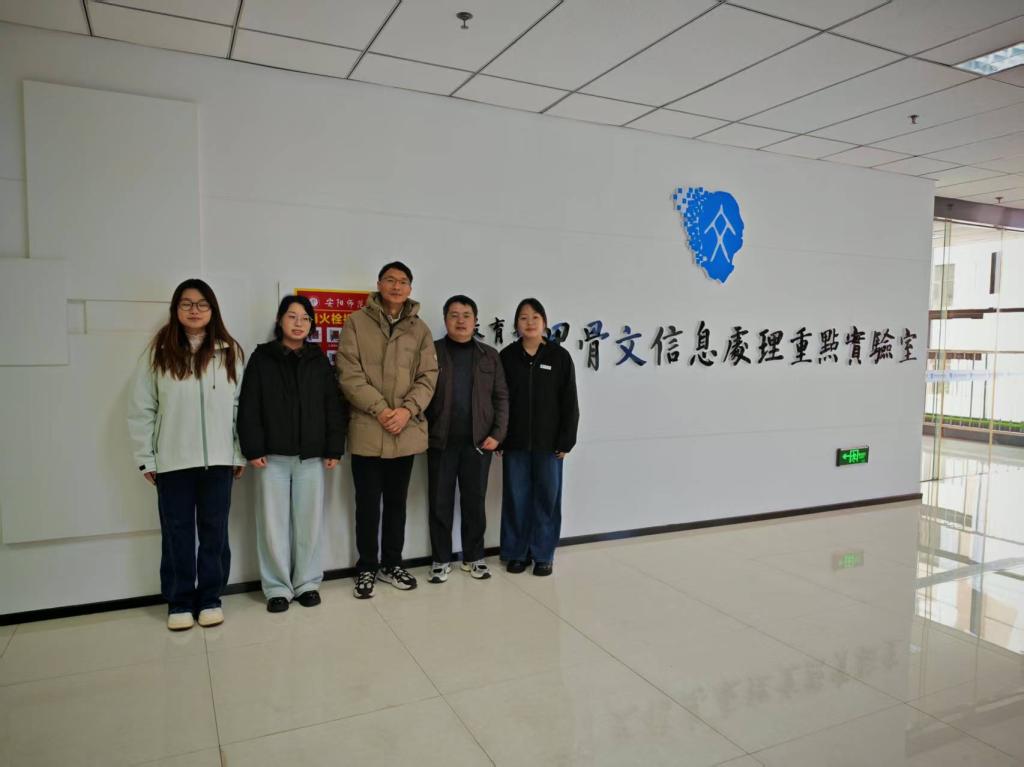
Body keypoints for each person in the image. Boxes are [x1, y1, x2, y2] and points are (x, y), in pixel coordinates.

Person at [127, 279, 245, 631]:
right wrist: (146, 458)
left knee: (214, 533)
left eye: (202, 303)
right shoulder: (158, 352)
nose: (195, 310)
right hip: (173, 461)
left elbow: (239, 408)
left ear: (213, 309)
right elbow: (142, 408)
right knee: (177, 533)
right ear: (176, 309)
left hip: (219, 461)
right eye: (187, 303)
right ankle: (179, 601)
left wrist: (238, 453)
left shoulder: (230, 352)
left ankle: (210, 599)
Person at [237, 296, 347, 613]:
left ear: (311, 325)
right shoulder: (262, 358)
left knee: (309, 522)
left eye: (305, 318)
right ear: (279, 320)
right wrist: (253, 447)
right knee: (273, 524)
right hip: (271, 458)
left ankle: (307, 584)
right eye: (292, 316)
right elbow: (249, 405)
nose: (298, 323)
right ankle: (277, 588)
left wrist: (334, 447)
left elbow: (332, 405)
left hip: (311, 457)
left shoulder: (318, 360)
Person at [337, 262, 438, 599]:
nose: (397, 286)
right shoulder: (356, 323)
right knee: (367, 505)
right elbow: (348, 373)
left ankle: (392, 563)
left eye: (403, 281)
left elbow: (428, 376)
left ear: (410, 288)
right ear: (379, 284)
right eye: (390, 280)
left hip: (404, 431)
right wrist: (381, 410)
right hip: (368, 428)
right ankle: (366, 567)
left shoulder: (419, 329)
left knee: (397, 503)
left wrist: (406, 410)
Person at [425, 295, 508, 583]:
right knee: (440, 503)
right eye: (454, 315)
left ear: (475, 321)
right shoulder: (431, 352)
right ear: (445, 319)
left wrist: (497, 434)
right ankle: (441, 559)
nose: (460, 321)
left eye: (466, 315)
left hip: (479, 444)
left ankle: (474, 557)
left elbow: (501, 397)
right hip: (440, 442)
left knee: (475, 502)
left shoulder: (489, 355)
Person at [499, 298, 579, 577]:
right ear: (516, 324)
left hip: (550, 444)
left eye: (535, 317)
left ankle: (544, 554)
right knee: (516, 498)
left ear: (544, 322)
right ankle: (517, 553)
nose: (530, 322)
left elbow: (569, 402)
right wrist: (499, 436)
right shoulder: (507, 356)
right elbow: (499, 400)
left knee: (547, 499)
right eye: (523, 318)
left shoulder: (559, 357)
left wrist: (566, 440)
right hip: (515, 443)